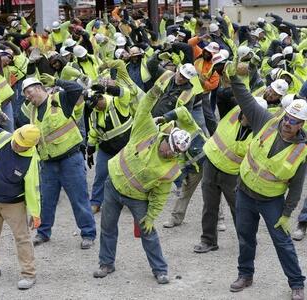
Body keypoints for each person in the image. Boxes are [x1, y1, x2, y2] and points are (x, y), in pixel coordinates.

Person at [93, 81, 191, 284]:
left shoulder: (171, 168)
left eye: (174, 152)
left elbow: (161, 195)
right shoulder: (146, 131)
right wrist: (154, 92)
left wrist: (151, 216)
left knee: (149, 233)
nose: (169, 152)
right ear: (166, 136)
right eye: (169, 147)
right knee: (108, 228)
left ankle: (160, 270)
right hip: (113, 186)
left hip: (138, 199)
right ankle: (106, 263)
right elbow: (144, 106)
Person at [228, 67, 307, 300]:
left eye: (294, 122)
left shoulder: (301, 151)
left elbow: (297, 186)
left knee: (283, 243)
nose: (288, 123)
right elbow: (246, 99)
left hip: (271, 202)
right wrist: (233, 76)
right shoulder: (266, 121)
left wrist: (287, 213)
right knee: (245, 236)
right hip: (244, 192)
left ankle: (296, 283)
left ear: (301, 125)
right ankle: (245, 275)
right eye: (287, 118)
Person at [20, 76, 96, 249]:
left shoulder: (60, 99)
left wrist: (57, 81)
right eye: (25, 95)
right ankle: (43, 233)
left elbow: (77, 89)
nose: (28, 97)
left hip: (70, 159)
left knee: (79, 198)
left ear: (39, 87)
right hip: (48, 163)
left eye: (30, 92)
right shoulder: (31, 111)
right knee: (46, 200)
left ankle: (88, 233)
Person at [0, 113, 41, 290]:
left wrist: (35, 214)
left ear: (31, 146)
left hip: (15, 205)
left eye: (21, 144)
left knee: (22, 238)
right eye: (17, 139)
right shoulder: (3, 137)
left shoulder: (31, 160)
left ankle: (29, 274)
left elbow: (33, 189)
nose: (16, 144)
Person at [194, 97, 267, 253]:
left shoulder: (260, 135)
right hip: (211, 164)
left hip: (232, 175)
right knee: (209, 206)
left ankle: (247, 243)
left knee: (239, 210)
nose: (246, 115)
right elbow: (228, 90)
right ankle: (208, 240)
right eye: (246, 111)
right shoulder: (232, 112)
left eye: (252, 114)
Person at [86, 83, 132, 213]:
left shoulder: (117, 103)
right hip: (106, 149)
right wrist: (90, 150)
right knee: (100, 175)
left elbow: (126, 93)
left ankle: (132, 201)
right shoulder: (94, 113)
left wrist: (113, 89)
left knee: (128, 175)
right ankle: (95, 203)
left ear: (101, 97)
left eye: (96, 104)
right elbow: (94, 132)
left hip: (126, 147)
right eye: (93, 106)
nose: (96, 108)